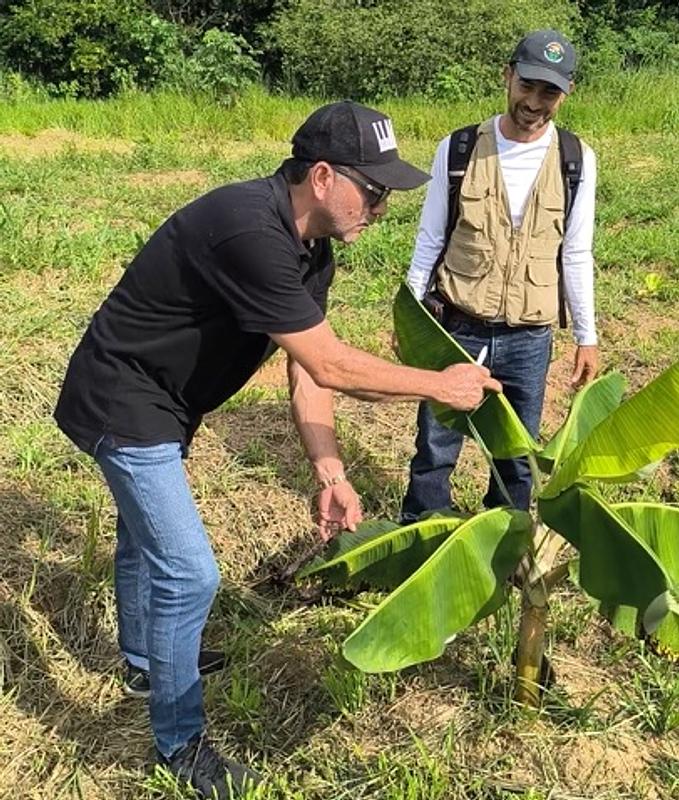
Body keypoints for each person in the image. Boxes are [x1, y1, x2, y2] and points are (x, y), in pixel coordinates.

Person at [54, 100, 501, 799]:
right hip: (121, 396)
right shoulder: (248, 229)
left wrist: (328, 469)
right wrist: (437, 384)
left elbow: (303, 370)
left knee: (146, 541)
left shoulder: (310, 250)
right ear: (322, 176)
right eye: (375, 191)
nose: (380, 210)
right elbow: (333, 365)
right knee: (190, 573)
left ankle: (145, 660)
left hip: (167, 400)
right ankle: (180, 745)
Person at [400, 30, 599, 523]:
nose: (534, 102)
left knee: (517, 458)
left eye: (548, 92)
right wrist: (408, 314)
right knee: (435, 447)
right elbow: (430, 238)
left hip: (530, 337)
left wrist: (587, 337)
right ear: (507, 76)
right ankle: (425, 534)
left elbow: (576, 251)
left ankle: (506, 548)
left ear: (565, 93)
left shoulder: (576, 160)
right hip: (458, 324)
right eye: (527, 85)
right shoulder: (460, 148)